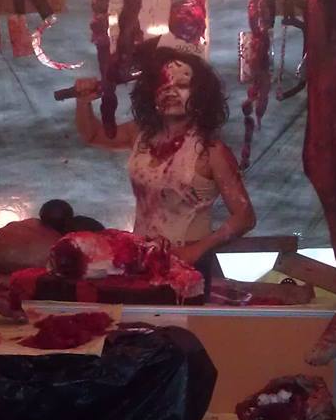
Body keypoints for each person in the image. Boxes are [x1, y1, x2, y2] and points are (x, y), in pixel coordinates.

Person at [74, 44, 256, 289]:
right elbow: (93, 135)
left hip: (189, 265)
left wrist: (195, 251)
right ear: (151, 93)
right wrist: (83, 102)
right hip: (141, 259)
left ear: (200, 94)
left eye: (182, 85)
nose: (171, 92)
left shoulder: (211, 150)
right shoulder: (140, 133)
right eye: (163, 85)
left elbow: (245, 217)